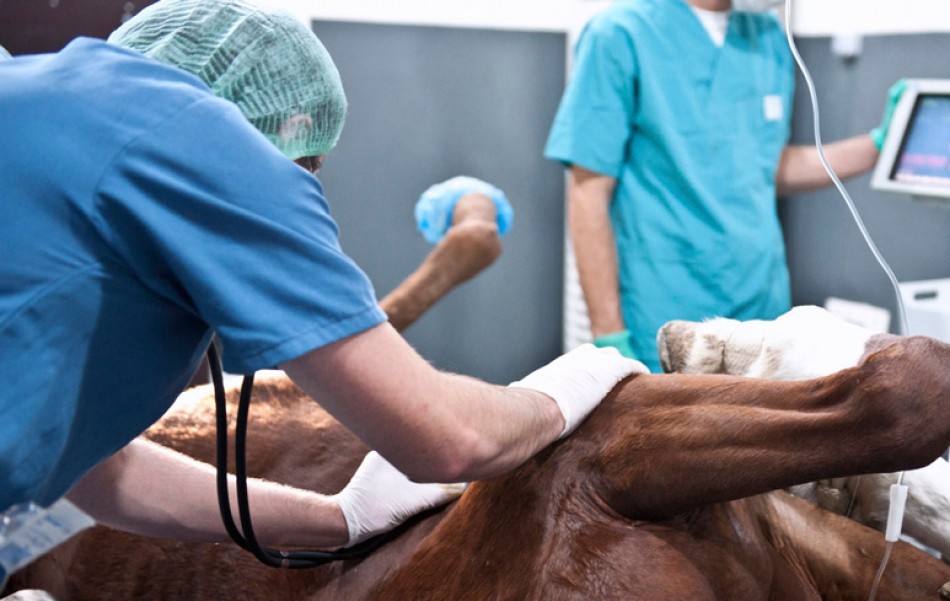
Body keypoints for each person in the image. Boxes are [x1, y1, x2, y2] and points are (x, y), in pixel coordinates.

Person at [0, 0, 646, 551]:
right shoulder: (204, 142)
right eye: (308, 165)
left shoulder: (34, 95)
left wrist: (340, 520)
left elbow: (89, 468)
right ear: (293, 128)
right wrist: (563, 393)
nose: (300, 185)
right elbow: (452, 440)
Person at [545, 0, 903, 370]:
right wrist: (610, 339)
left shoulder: (766, 37)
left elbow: (763, 165)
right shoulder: (619, 35)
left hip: (761, 307)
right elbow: (588, 193)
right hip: (665, 308)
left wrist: (880, 144)